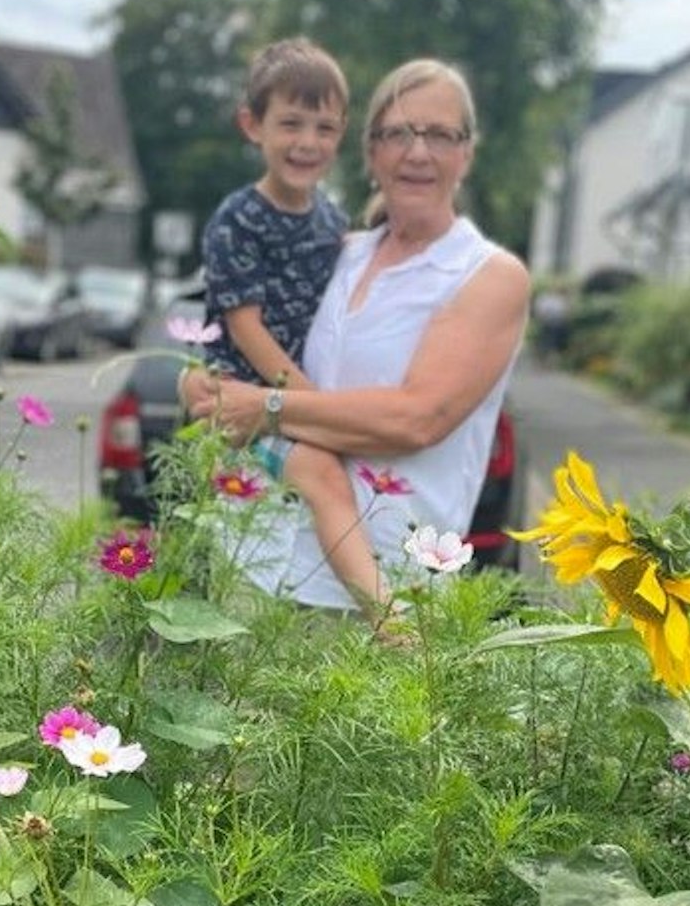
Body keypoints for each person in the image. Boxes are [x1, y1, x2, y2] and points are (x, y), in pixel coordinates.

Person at [187, 57, 531, 615]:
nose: (417, 152)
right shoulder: (340, 253)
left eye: (440, 135)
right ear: (371, 153)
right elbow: (243, 323)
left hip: (381, 601)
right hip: (254, 565)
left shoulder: (487, 275)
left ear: (466, 153)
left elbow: (415, 419)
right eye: (398, 133)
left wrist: (269, 407)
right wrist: (201, 383)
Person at [200, 39, 392, 616]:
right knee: (316, 479)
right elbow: (247, 329)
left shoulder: (333, 221)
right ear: (251, 125)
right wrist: (314, 408)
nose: (307, 142)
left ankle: (343, 610)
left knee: (309, 529)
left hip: (295, 404)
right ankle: (386, 618)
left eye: (324, 127)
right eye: (290, 123)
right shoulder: (237, 220)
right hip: (246, 404)